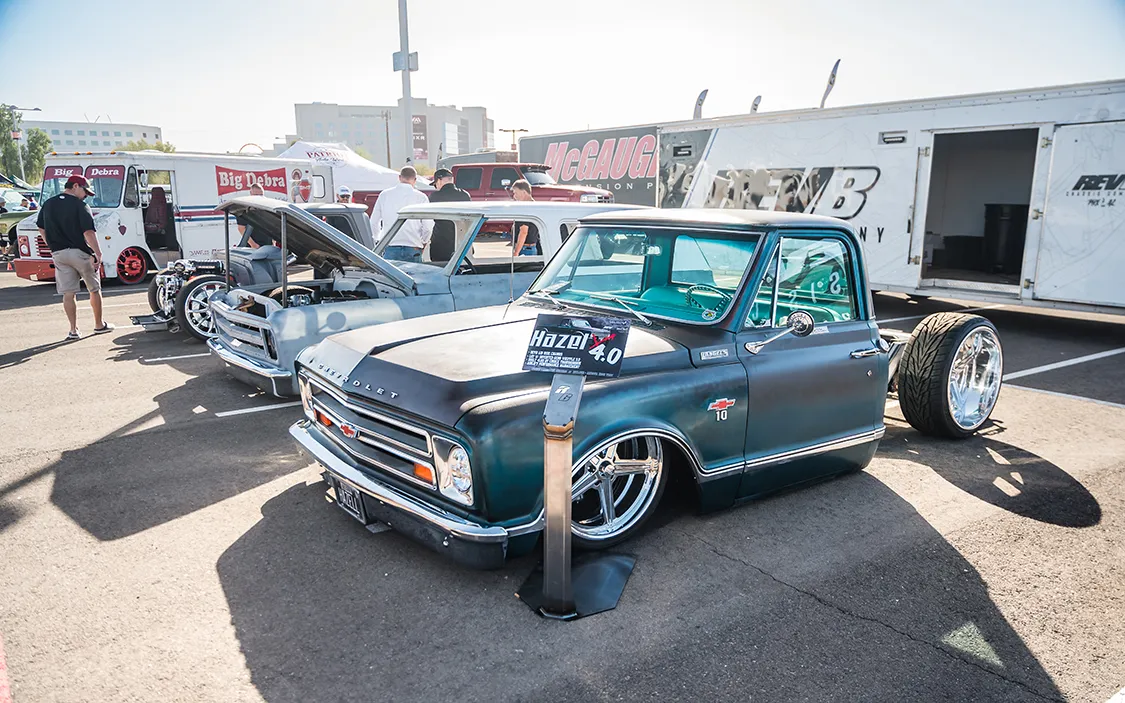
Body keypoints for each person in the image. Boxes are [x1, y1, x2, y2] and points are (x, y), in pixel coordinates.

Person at [36, 175, 113, 339]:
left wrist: (51, 245)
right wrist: (97, 253)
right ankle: (99, 325)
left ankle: (73, 330)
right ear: (76, 186)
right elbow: (88, 232)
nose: (85, 196)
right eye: (85, 191)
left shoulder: (48, 204)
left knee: (68, 293)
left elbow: (41, 227)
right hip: (80, 252)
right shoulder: (80, 206)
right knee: (94, 289)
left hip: (59, 253)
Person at [371, 166, 431, 262]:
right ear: (415, 180)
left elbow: (374, 222)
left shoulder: (384, 195)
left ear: (399, 177)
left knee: (388, 272)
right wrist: (424, 241)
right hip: (413, 247)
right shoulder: (421, 197)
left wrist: (378, 240)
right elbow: (428, 226)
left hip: (390, 246)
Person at [427, 168, 470, 261]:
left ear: (439, 180)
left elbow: (429, 220)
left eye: (435, 184)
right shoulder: (465, 195)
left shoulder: (434, 197)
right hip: (461, 241)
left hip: (440, 244)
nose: (436, 187)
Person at [509, 179, 540, 256]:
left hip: (524, 249)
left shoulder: (525, 208)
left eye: (516, 193)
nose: (514, 196)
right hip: (530, 248)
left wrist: (516, 252)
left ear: (524, 192)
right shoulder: (536, 206)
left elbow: (523, 231)